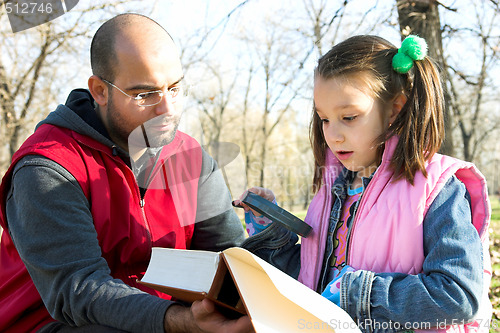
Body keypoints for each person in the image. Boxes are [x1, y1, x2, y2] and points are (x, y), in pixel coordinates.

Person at [0, 13, 253, 333]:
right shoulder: (48, 168)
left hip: (169, 318)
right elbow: (78, 291)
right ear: (100, 91)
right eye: (144, 94)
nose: (167, 110)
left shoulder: (191, 160)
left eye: (174, 88)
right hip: (51, 323)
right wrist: (184, 322)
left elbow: (229, 257)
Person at [235, 35, 492, 332]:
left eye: (349, 117)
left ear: (394, 109)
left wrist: (358, 294)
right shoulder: (332, 191)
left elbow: (458, 295)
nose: (333, 135)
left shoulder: (437, 188)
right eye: (324, 119)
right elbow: (314, 284)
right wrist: (271, 232)